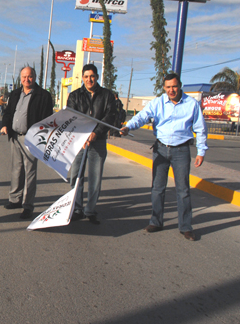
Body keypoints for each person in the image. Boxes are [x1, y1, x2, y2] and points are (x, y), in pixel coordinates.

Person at [120, 73, 208, 241]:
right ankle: (156, 221)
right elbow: (142, 116)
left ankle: (186, 226)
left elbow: (200, 129)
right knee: (157, 188)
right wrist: (128, 127)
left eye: (174, 86)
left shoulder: (192, 104)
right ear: (164, 88)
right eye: (167, 87)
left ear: (180, 85)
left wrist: (201, 151)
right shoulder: (158, 102)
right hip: (160, 149)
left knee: (183, 190)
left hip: (181, 151)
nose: (171, 90)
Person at [0, 66, 54, 219]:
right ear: (20, 77)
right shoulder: (15, 93)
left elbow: (47, 119)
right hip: (15, 137)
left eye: (29, 76)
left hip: (31, 139)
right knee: (16, 170)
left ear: (35, 77)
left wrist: (38, 137)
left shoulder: (43, 96)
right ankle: (15, 199)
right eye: (24, 76)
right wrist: (5, 125)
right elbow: (8, 112)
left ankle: (28, 206)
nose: (26, 79)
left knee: (29, 172)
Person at [67, 64, 116, 225]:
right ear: (82, 77)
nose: (89, 79)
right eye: (86, 76)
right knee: (76, 176)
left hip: (99, 141)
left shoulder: (107, 95)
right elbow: (72, 117)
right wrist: (84, 134)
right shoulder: (75, 96)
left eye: (92, 76)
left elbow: (110, 116)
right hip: (79, 143)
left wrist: (96, 132)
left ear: (97, 77)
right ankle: (77, 209)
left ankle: (90, 210)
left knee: (95, 177)